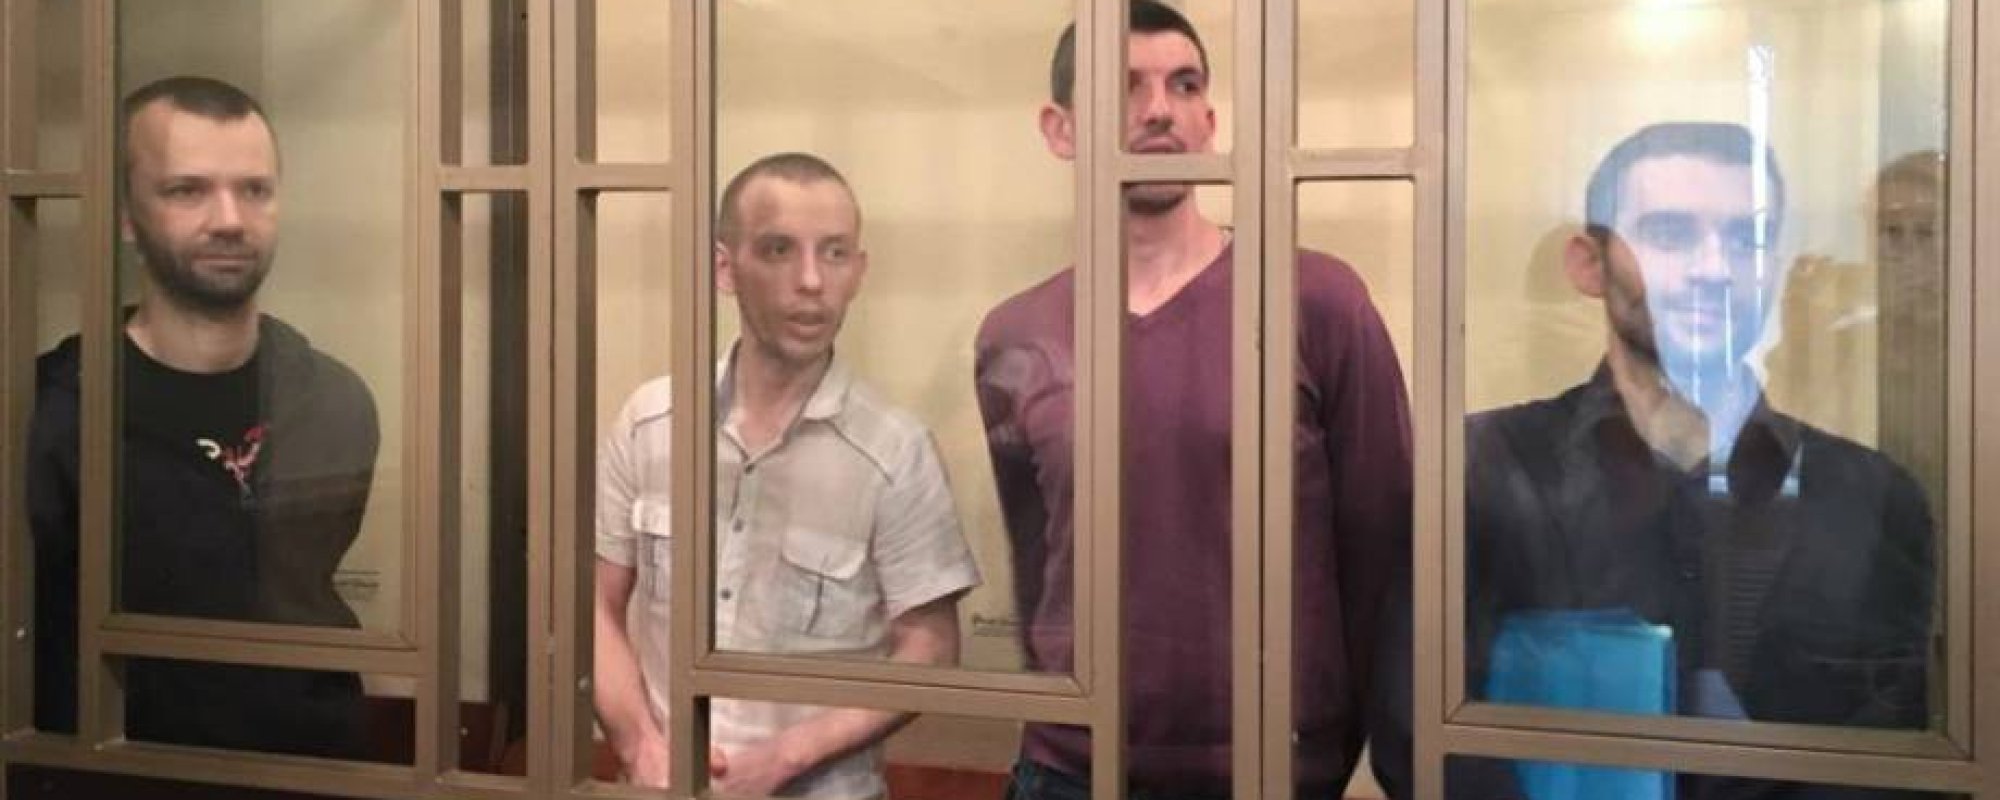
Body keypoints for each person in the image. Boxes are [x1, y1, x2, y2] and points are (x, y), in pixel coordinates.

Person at [974, 2, 1414, 797]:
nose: (1158, 110)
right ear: (1060, 129)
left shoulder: (1316, 300)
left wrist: (1326, 746)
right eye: (1125, 86)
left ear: (1209, 122)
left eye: (1184, 85)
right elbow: (1038, 563)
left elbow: (1381, 549)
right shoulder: (1014, 335)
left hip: (1263, 768)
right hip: (1067, 768)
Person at [1460, 122, 1935, 799]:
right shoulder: (1483, 467)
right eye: (1669, 233)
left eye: (1748, 239)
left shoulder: (1873, 498)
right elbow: (1420, 729)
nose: (1714, 267)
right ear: (1588, 263)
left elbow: (1903, 757)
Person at [593, 152, 981, 799]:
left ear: (859, 271)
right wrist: (641, 746)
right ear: (725, 268)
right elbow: (596, 606)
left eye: (834, 253)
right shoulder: (651, 422)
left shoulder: (895, 452)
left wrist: (782, 761)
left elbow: (931, 650)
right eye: (779, 250)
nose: (810, 281)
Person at [29, 76, 378, 758]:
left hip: (313, 771)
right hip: (109, 772)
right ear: (126, 216)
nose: (230, 219)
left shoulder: (335, 400)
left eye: (255, 189)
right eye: (186, 190)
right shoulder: (52, 409)